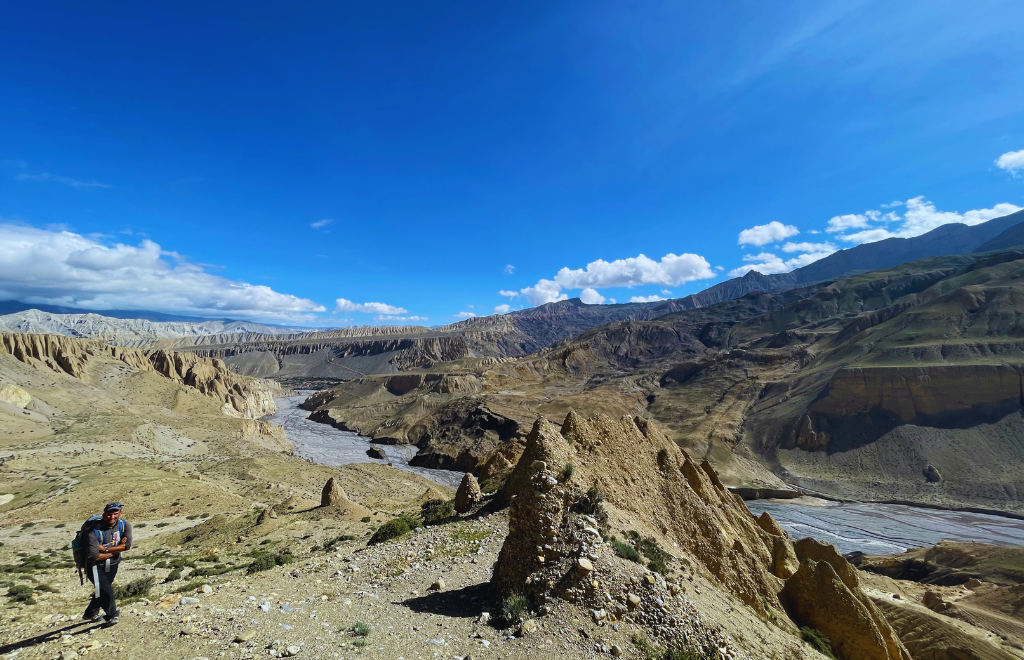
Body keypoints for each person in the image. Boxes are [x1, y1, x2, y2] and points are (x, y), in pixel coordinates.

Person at [83, 502, 133, 625]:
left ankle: (90, 613)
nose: (112, 517)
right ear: (104, 514)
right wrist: (118, 548)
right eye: (109, 514)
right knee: (106, 590)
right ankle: (112, 615)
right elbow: (94, 556)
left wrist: (104, 549)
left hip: (113, 564)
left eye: (115, 514)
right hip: (94, 566)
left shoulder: (124, 525)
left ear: (120, 513)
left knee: (103, 590)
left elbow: (127, 546)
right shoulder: (93, 530)